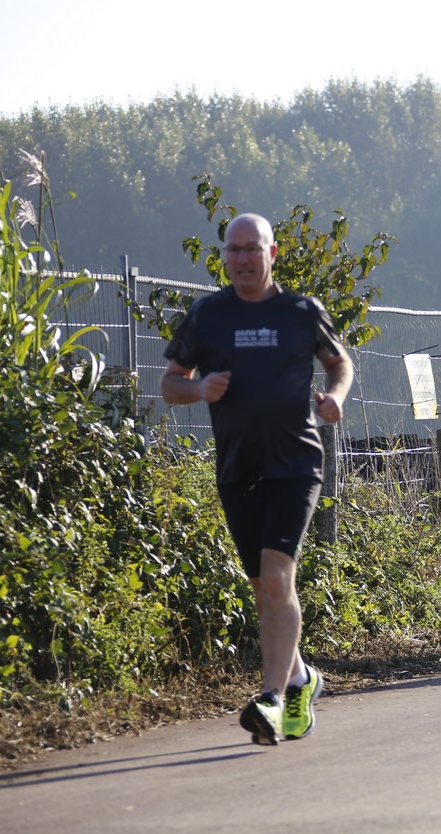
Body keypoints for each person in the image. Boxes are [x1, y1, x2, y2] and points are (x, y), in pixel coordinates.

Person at [160, 213, 348, 745]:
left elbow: (339, 363)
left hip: (296, 464)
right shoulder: (207, 316)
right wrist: (199, 390)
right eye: (234, 250)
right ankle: (301, 677)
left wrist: (335, 397)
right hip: (236, 468)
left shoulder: (301, 312)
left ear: (272, 254)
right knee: (263, 588)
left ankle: (271, 700)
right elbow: (170, 383)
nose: (242, 258)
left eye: (252, 248)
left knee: (277, 577)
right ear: (225, 256)